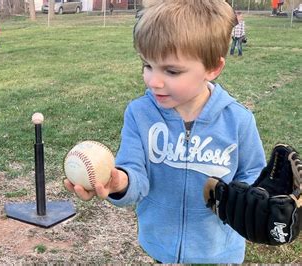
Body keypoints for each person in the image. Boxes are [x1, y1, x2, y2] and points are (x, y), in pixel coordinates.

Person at [64, 0, 266, 263]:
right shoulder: (140, 113)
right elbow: (135, 172)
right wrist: (117, 182)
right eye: (148, 65)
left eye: (171, 70)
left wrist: (252, 199)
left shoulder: (238, 120)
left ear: (213, 69)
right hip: (161, 246)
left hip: (219, 252)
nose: (153, 81)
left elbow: (254, 173)